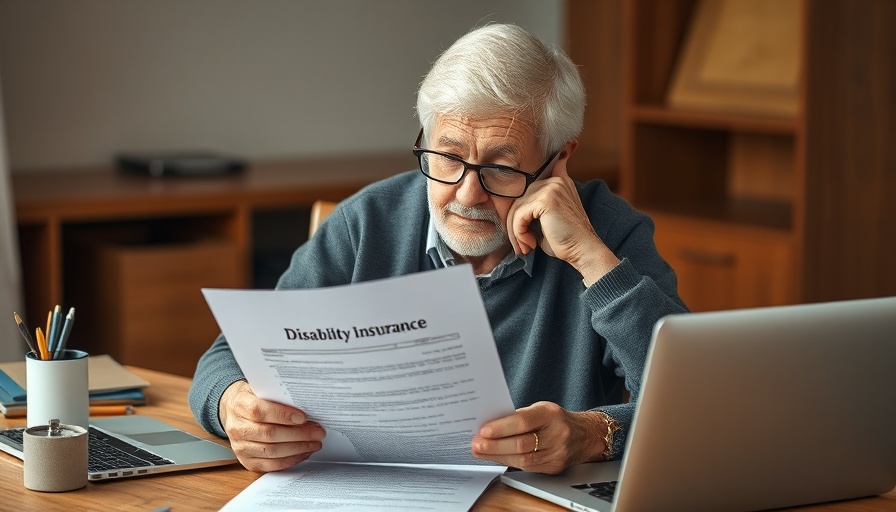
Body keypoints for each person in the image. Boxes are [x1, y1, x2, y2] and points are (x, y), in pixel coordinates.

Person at [188, 23, 687, 475]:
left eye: (501, 168)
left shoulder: (606, 231)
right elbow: (227, 355)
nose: (467, 194)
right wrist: (235, 405)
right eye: (447, 157)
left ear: (560, 160)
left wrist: (591, 433)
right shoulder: (368, 222)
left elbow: (692, 402)